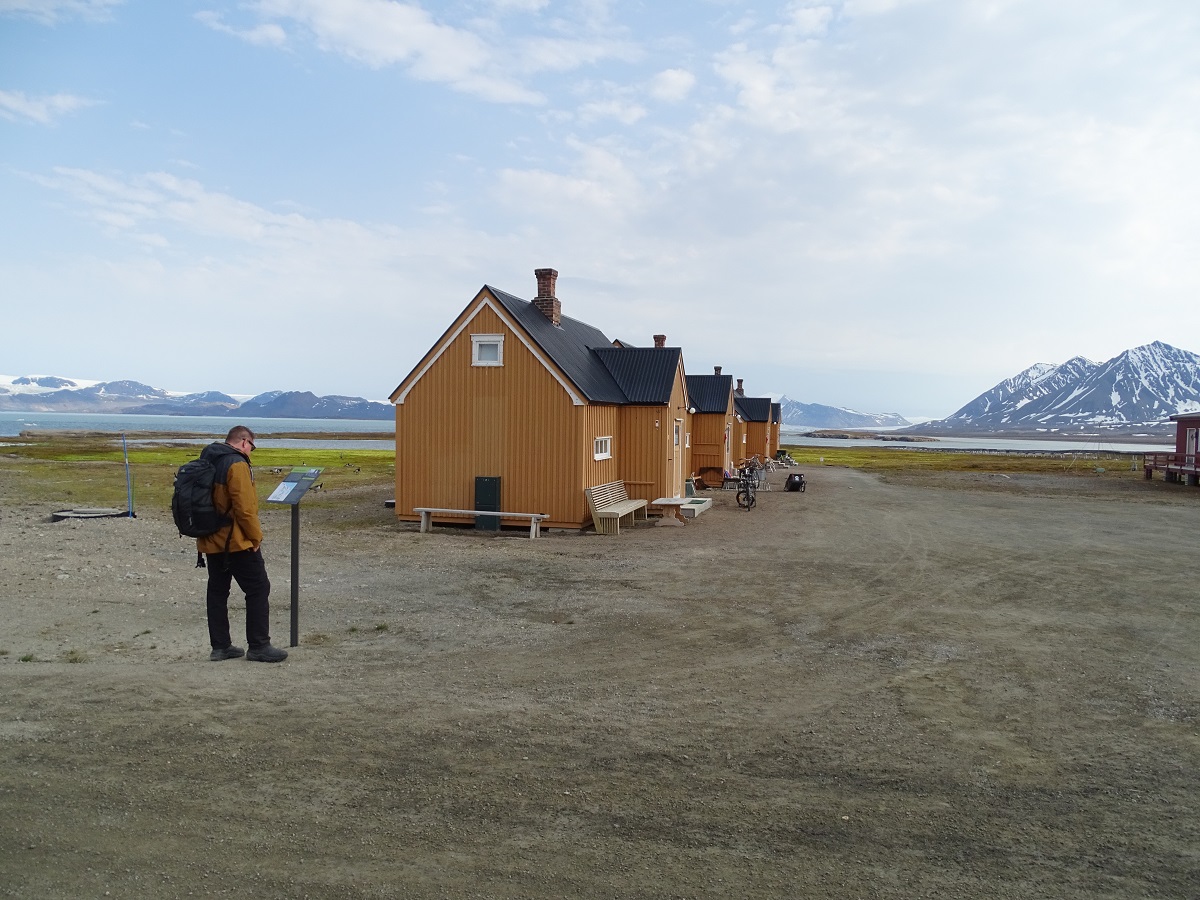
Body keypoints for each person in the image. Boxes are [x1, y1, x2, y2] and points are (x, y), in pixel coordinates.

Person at [199, 425, 288, 663]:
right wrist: (255, 537)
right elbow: (245, 508)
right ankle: (259, 645)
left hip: (210, 537)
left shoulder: (208, 458)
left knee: (217, 591)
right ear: (244, 441)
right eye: (252, 447)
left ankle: (220, 646)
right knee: (258, 587)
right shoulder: (236, 464)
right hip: (236, 541)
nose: (251, 452)